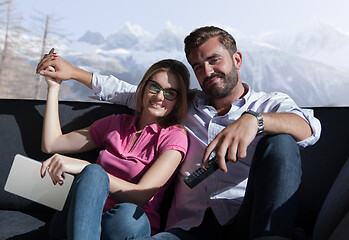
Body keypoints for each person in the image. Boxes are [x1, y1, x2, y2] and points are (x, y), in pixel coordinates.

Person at [37, 26, 321, 240]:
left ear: (236, 59)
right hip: (189, 228)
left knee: (282, 140)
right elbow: (129, 92)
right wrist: (73, 73)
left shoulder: (269, 104)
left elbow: (309, 127)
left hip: (244, 218)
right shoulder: (185, 106)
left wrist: (255, 121)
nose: (207, 71)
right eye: (198, 66)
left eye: (214, 60)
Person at [38, 58, 190, 239]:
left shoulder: (175, 137)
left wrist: (88, 170)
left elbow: (141, 195)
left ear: (178, 101)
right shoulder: (116, 124)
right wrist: (54, 88)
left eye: (170, 93)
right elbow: (52, 144)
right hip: (79, 220)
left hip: (122, 227)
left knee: (128, 215)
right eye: (154, 87)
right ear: (143, 87)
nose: (159, 97)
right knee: (93, 175)